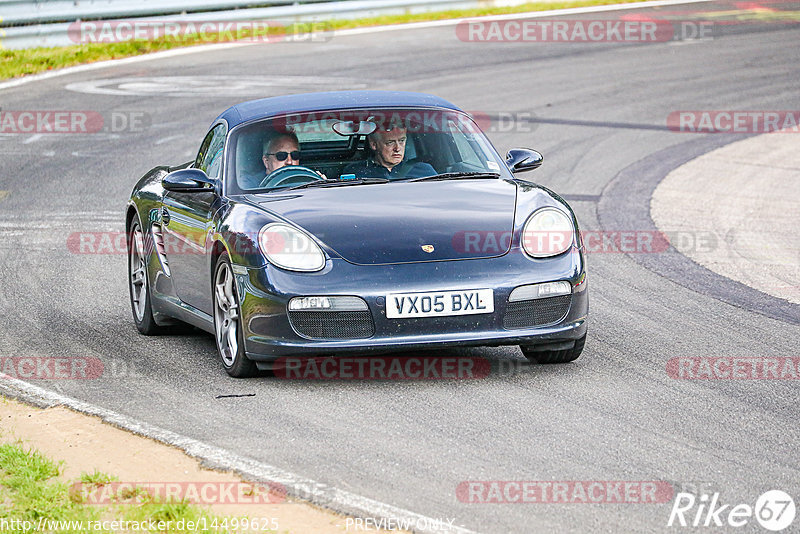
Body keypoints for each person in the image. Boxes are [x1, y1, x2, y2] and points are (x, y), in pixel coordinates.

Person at [343, 125, 435, 180]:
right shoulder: (355, 172)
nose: (398, 148)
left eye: (402, 141)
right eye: (390, 142)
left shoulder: (425, 171)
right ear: (373, 144)